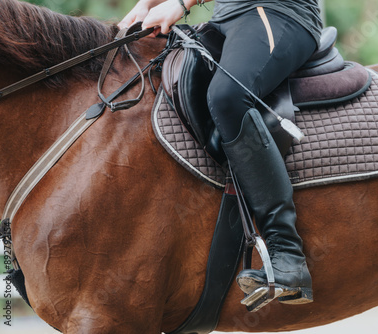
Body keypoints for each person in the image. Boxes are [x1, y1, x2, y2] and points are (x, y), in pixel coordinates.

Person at [120, 0, 322, 304]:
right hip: (227, 18)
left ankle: (288, 256)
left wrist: (180, 3)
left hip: (277, 12)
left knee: (227, 96)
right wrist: (145, 5)